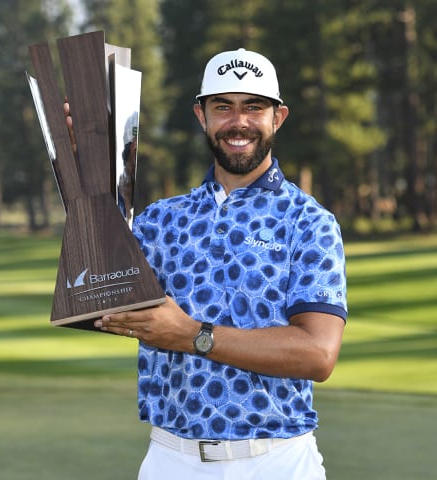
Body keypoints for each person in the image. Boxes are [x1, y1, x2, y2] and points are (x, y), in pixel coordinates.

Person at [87, 48, 348, 479]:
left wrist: (194, 336)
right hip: (171, 459)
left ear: (277, 118)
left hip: (275, 461)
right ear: (201, 116)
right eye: (223, 107)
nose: (238, 122)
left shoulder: (309, 221)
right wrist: (85, 165)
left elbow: (318, 354)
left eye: (253, 107)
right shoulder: (161, 220)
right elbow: (96, 292)